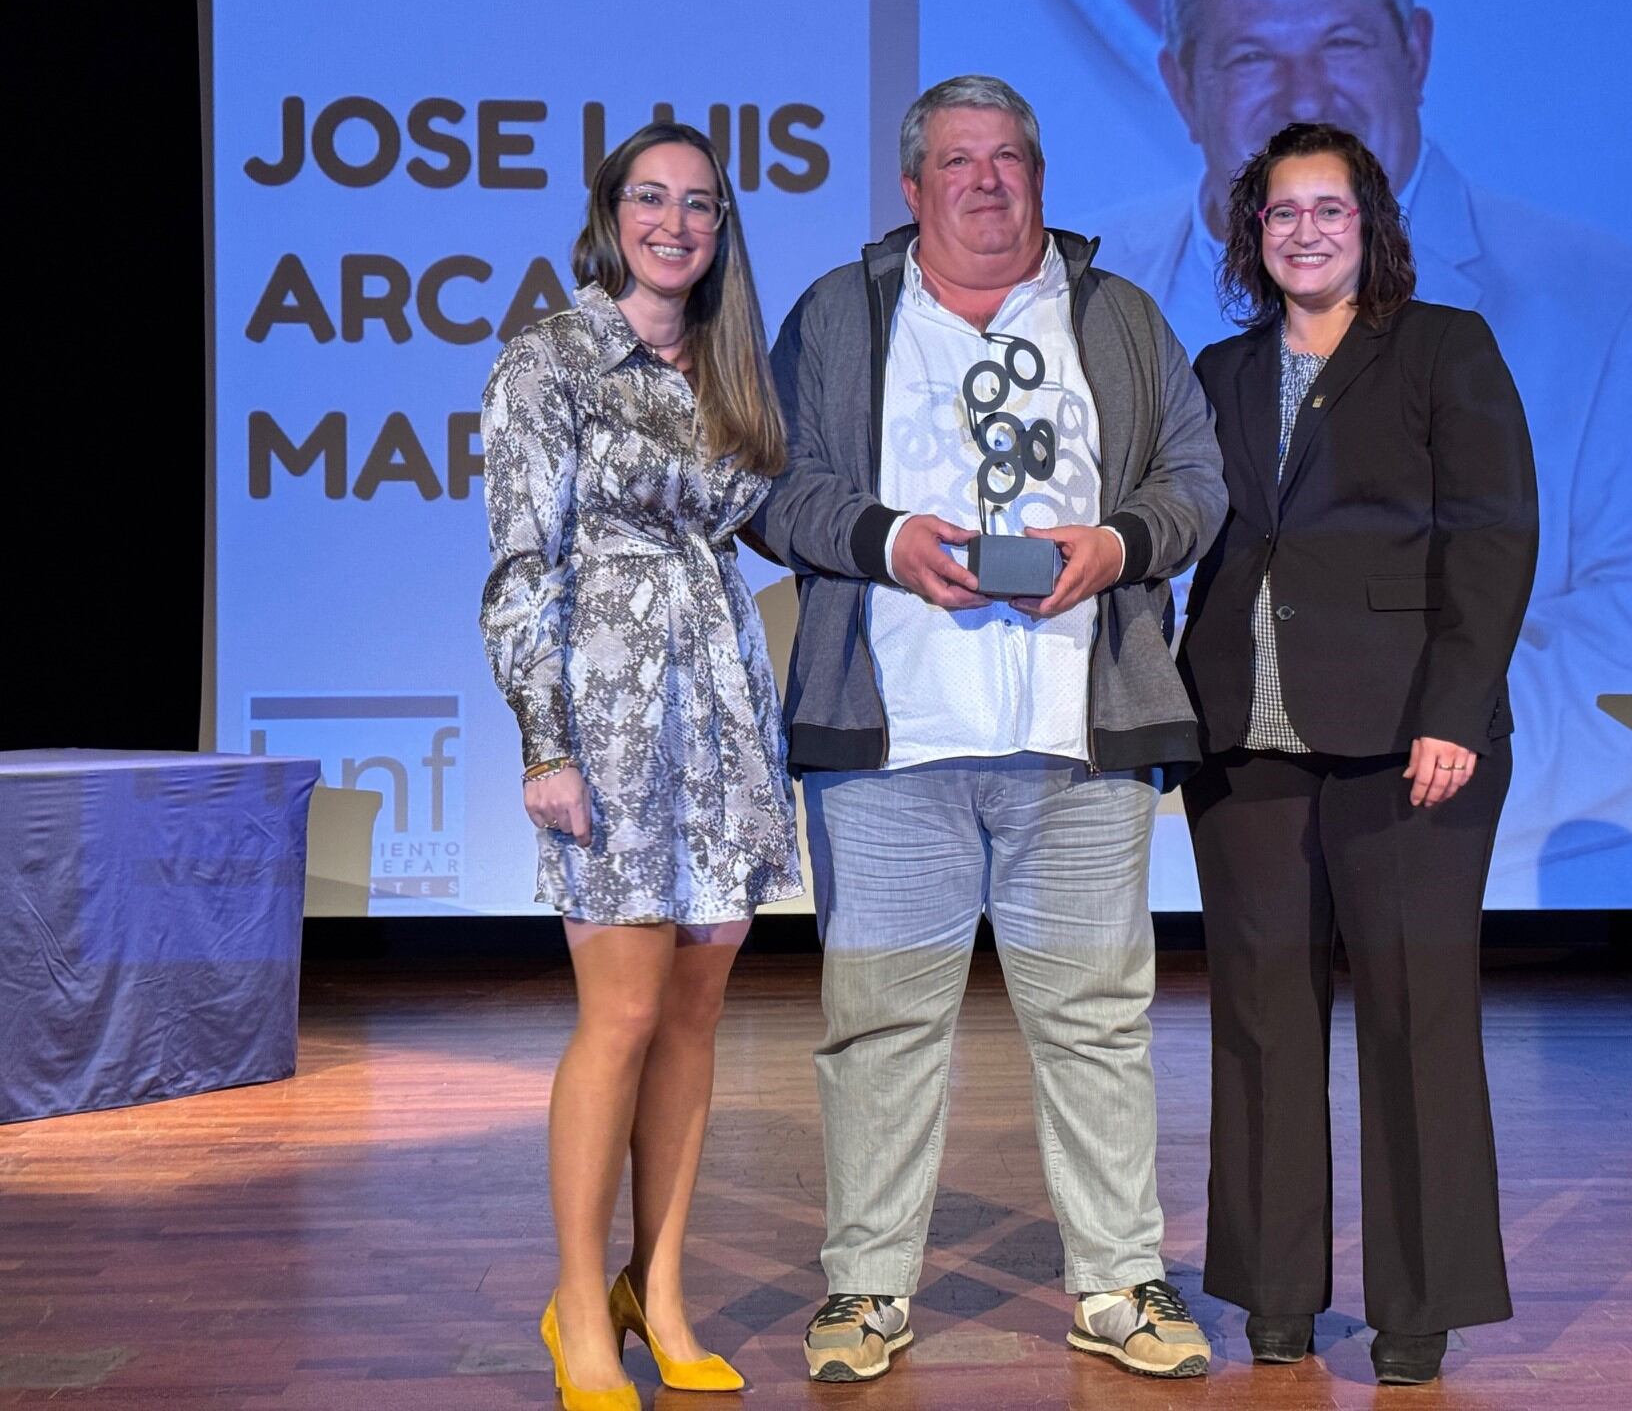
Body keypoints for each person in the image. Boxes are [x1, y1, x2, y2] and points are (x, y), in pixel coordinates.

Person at [1097, 0, 1632, 904]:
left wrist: (1387, 745)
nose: (1301, 92)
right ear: (1180, 85)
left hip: (1464, 851)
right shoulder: (1083, 296)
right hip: (1142, 871)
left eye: (1343, 44)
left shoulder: (1616, 305)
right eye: (1248, 58)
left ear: (1415, 52)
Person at [749, 74, 1227, 1384]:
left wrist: (1115, 544)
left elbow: (1196, 485)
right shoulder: (841, 318)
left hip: (1082, 744)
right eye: (958, 160)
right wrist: (884, 541)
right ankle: (866, 1290)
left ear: (1040, 177)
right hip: (891, 745)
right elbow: (768, 489)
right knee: (882, 1025)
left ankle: (1120, 1284)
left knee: (1095, 1023)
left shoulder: (1118, 318)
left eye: (1009, 157)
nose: (986, 181)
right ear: (912, 188)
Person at [1178, 121, 1538, 1383]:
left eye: (1330, 209)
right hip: (1246, 740)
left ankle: (1417, 1310)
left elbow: (1492, 537)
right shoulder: (1219, 369)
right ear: (1253, 233)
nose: (1307, 232)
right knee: (1263, 1025)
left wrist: (1453, 708)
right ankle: (1273, 1298)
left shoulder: (1444, 347)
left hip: (1407, 741)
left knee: (1413, 1023)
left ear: (1372, 222)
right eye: (1283, 213)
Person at [478, 121, 801, 1408]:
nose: (676, 224)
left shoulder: (735, 370)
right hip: (606, 724)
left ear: (723, 230)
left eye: (701, 206)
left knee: (695, 1017)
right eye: (651, 199)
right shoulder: (546, 358)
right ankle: (576, 1309)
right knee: (617, 1017)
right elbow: (519, 569)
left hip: (719, 709)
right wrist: (544, 743)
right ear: (610, 214)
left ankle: (658, 1291)